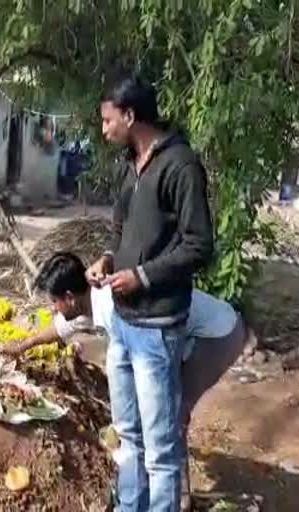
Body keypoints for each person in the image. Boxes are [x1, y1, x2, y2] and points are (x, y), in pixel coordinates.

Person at [0, 253, 245, 511]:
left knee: (172, 415)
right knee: (158, 416)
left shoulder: (110, 306)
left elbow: (133, 366)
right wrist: (20, 347)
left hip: (218, 334)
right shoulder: (86, 301)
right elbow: (58, 330)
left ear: (70, 298)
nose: (53, 308)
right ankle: (158, 490)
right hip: (187, 332)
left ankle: (177, 498)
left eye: (54, 301)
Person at [86, 75, 214, 511]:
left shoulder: (180, 166)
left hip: (157, 329)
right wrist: (108, 258)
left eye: (107, 121)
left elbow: (199, 245)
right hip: (123, 325)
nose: (103, 130)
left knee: (160, 448)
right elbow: (121, 227)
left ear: (130, 115)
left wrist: (142, 276)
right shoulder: (130, 162)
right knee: (129, 434)